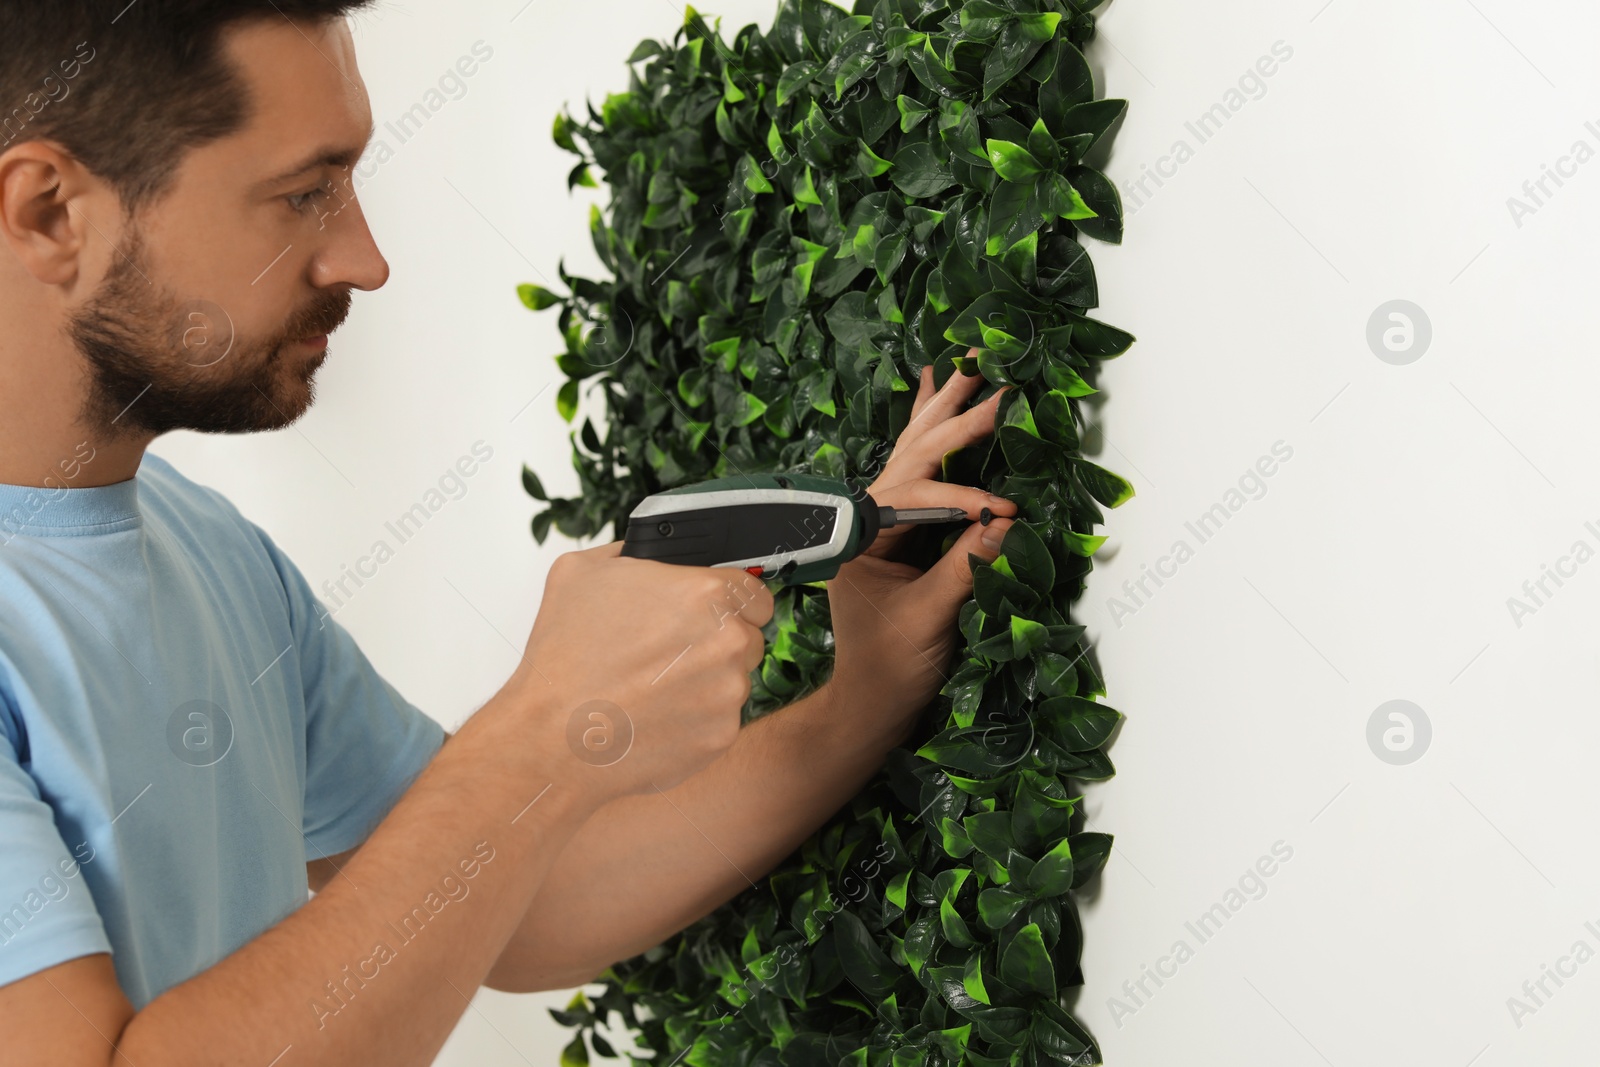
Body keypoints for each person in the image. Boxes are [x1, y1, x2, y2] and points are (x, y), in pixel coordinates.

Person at [0, 3, 1019, 1064]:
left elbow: (522, 903)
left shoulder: (208, 546)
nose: (363, 257)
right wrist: (537, 731)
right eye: (303, 192)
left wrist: (861, 700)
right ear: (50, 211)